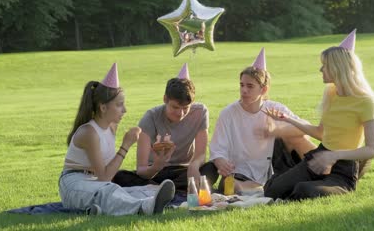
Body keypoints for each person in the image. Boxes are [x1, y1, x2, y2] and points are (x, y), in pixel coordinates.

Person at [263, 29, 374, 200]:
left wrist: (334, 155)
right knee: (272, 190)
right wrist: (287, 119)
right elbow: (320, 132)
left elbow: (371, 150)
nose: (321, 69)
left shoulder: (366, 102)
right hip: (318, 158)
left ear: (336, 68)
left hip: (342, 169)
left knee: (303, 190)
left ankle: (341, 188)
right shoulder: (331, 94)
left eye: (324, 65)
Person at [59, 63, 175, 216]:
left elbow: (105, 178)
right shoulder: (89, 133)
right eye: (120, 105)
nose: (125, 110)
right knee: (109, 190)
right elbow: (105, 178)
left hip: (94, 184)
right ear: (103, 107)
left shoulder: (111, 127)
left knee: (147, 189)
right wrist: (125, 145)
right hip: (74, 185)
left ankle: (94, 211)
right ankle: (144, 208)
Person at [209, 48, 316, 195]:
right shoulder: (228, 113)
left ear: (263, 90)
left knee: (296, 136)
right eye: (242, 85)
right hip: (241, 173)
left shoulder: (274, 108)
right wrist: (219, 160)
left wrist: (277, 130)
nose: (244, 90)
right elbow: (217, 148)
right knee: (234, 187)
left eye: (250, 86)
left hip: (274, 169)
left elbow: (306, 129)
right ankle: (264, 190)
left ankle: (320, 173)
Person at [112, 63, 218, 191]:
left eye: (185, 108)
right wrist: (157, 166)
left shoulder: (200, 112)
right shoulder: (151, 117)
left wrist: (193, 166)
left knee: (211, 168)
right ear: (165, 99)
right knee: (120, 176)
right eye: (175, 107)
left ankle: (162, 190)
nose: (180, 113)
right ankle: (170, 189)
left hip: (183, 170)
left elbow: (201, 154)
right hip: (155, 173)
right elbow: (141, 169)